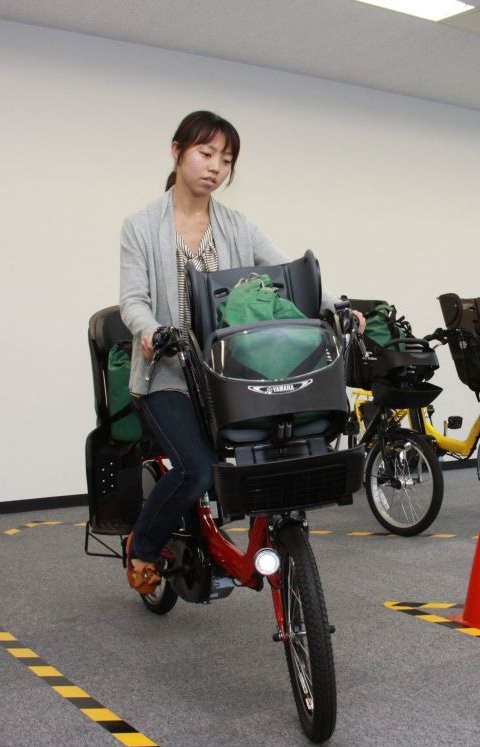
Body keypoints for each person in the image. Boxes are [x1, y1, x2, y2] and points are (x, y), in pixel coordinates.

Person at [118, 110, 362, 594]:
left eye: (225, 160)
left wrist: (338, 305)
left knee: (280, 449)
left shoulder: (237, 226)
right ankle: (143, 546)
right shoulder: (141, 226)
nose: (215, 167)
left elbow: (291, 274)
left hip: (227, 376)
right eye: (206, 153)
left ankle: (260, 541)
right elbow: (133, 300)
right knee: (196, 468)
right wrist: (149, 331)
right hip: (167, 375)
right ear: (177, 151)